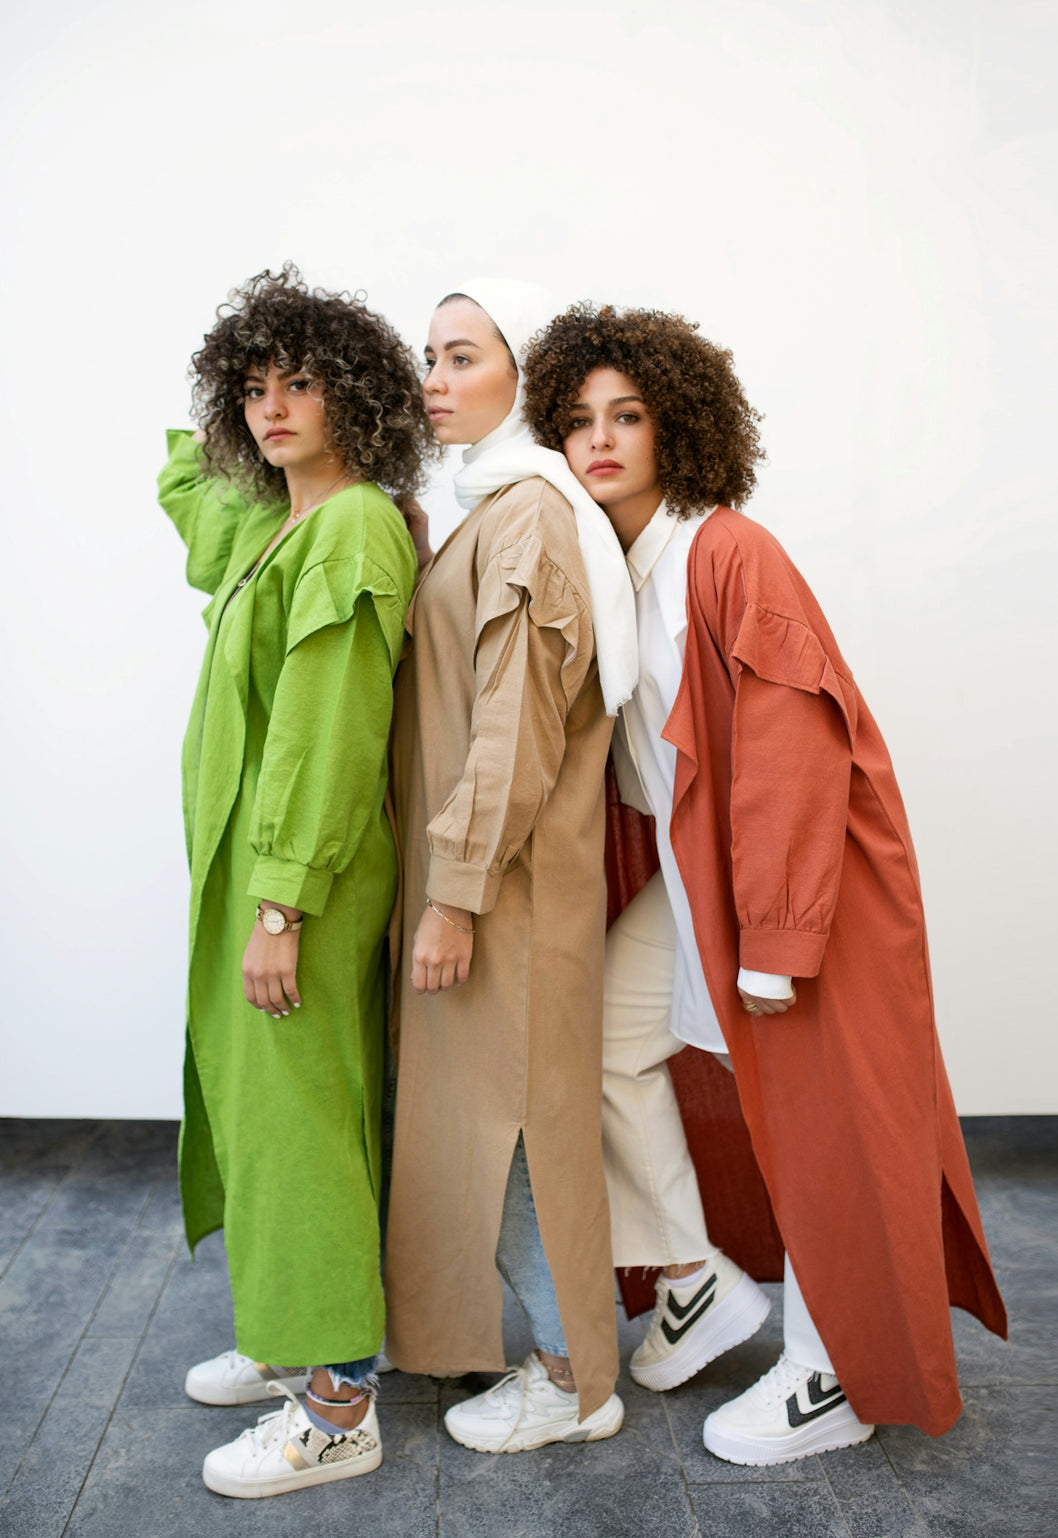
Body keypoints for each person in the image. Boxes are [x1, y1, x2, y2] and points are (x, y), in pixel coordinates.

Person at [522, 304, 1007, 1466]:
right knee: (598, 1041)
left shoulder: (726, 548)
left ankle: (831, 1370)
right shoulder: (622, 566)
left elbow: (793, 740)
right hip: (707, 886)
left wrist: (780, 938)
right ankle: (690, 1276)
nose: (601, 439)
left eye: (627, 416)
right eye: (579, 420)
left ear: (676, 427)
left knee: (829, 1123)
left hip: (799, 894)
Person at [157, 266, 427, 1497]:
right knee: (261, 1110)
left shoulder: (353, 523)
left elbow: (329, 728)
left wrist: (283, 904)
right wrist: (234, 412)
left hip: (297, 885)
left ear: (357, 395)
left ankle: (335, 1403)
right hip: (252, 878)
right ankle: (286, 1339)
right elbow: (184, 485)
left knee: (304, 1121)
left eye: (302, 383)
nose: (274, 408)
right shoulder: (272, 522)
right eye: (252, 389)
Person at [384, 280, 638, 1453]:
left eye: (460, 355)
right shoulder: (488, 506)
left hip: (511, 889)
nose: (435, 378)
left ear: (516, 376)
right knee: (492, 1115)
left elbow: (514, 723)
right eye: (426, 359)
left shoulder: (530, 510)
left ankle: (575, 1376)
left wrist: (456, 891)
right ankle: (546, 1353)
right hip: (495, 882)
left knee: (523, 1124)